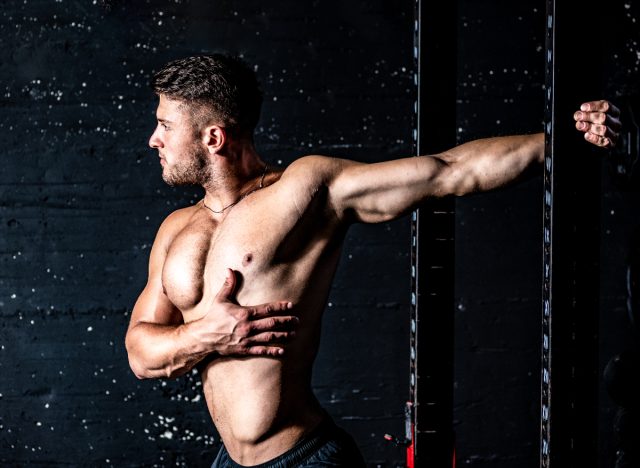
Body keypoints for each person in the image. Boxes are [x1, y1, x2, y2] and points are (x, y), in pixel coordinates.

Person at [124, 54, 621, 467]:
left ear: (213, 138)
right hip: (227, 461)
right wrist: (208, 334)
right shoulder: (175, 230)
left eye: (165, 125)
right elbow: (140, 352)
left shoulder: (303, 191)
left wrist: (563, 141)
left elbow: (448, 172)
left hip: (302, 458)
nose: (154, 139)